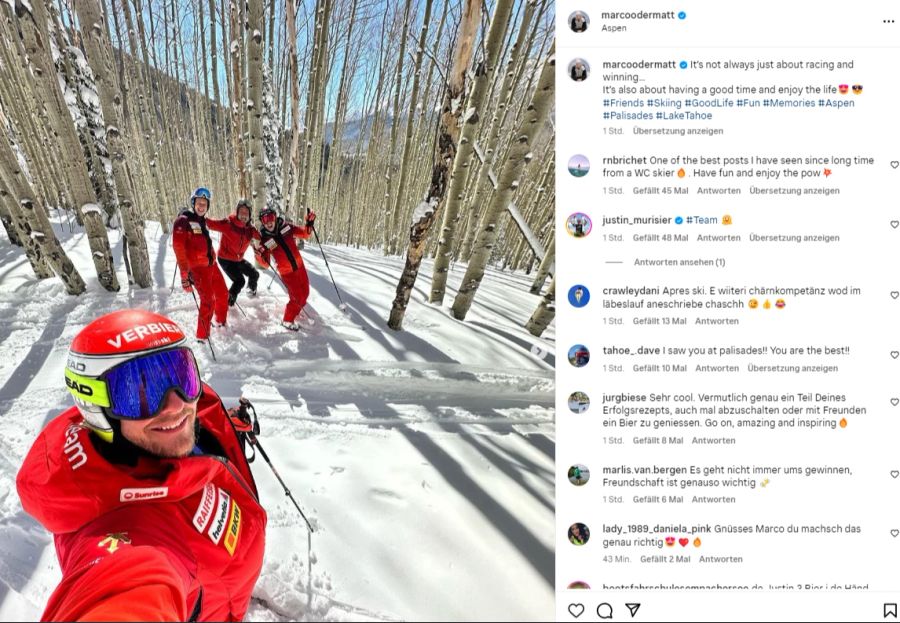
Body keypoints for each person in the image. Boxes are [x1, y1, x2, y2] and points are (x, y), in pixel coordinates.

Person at [16, 309, 267, 621]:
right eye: (139, 392)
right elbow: (124, 587)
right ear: (95, 407)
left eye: (182, 375)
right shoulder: (130, 532)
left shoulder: (166, 427)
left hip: (228, 589)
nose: (178, 406)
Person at [173, 187, 230, 340]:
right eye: (199, 203)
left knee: (223, 294)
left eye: (204, 204)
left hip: (212, 265)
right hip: (197, 269)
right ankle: (202, 337)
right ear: (193, 203)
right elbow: (178, 248)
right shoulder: (184, 220)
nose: (201, 206)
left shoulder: (202, 221)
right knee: (208, 301)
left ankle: (220, 322)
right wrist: (185, 275)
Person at [254, 208, 317, 331]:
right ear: (262, 221)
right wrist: (258, 255)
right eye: (264, 219)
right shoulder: (265, 240)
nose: (268, 222)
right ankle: (287, 320)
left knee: (305, 293)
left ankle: (297, 308)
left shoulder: (286, 227)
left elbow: (305, 234)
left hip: (300, 266)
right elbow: (265, 264)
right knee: (297, 297)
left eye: (270, 217)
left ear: (275, 217)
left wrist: (309, 224)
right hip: (287, 272)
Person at [207, 199, 260, 307]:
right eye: (241, 212)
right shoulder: (228, 224)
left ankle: (251, 293)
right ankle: (228, 302)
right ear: (237, 212)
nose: (244, 215)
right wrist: (195, 218)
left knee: (254, 274)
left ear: (250, 215)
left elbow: (261, 237)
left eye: (246, 213)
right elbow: (210, 224)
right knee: (240, 281)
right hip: (225, 259)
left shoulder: (250, 229)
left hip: (238, 259)